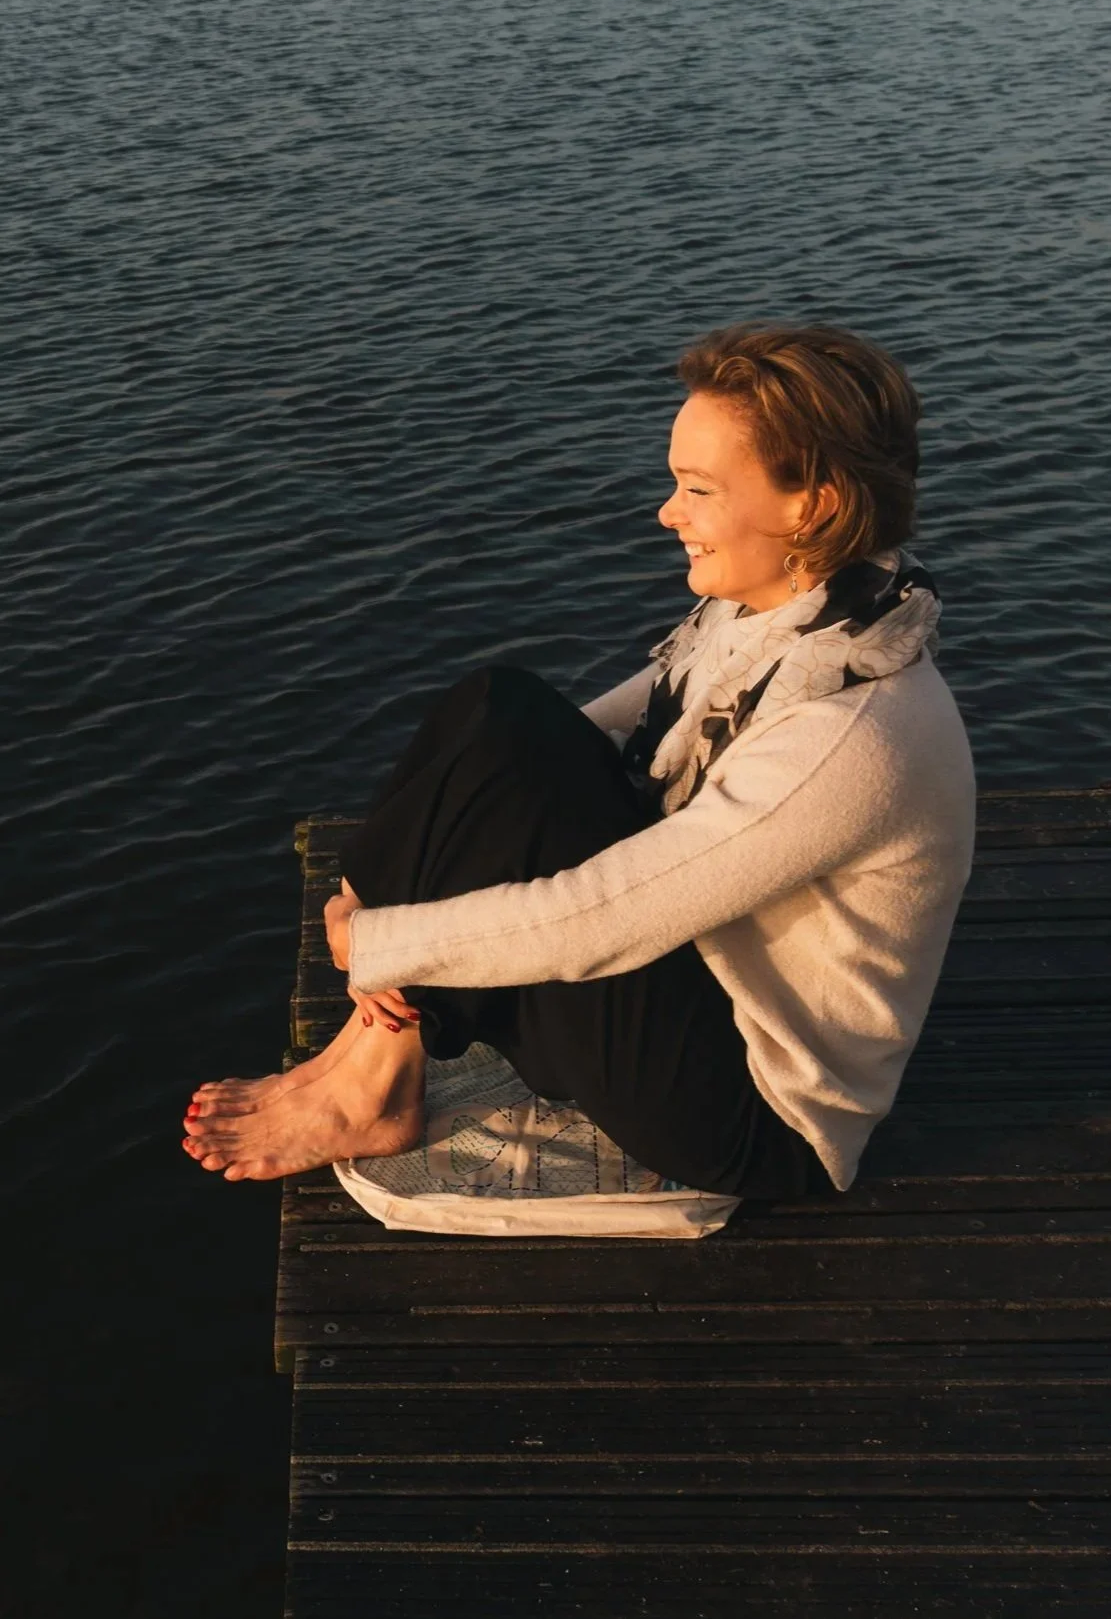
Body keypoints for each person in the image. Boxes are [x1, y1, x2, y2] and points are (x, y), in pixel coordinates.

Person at [182, 322, 976, 1200]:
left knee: (510, 802)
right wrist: (397, 877)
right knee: (501, 707)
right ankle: (369, 1062)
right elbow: (558, 741)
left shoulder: (850, 728)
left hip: (756, 1115)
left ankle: (370, 1080)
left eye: (697, 489)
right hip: (703, 991)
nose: (667, 513)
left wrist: (382, 938)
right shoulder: (785, 626)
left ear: (810, 505)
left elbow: (607, 918)